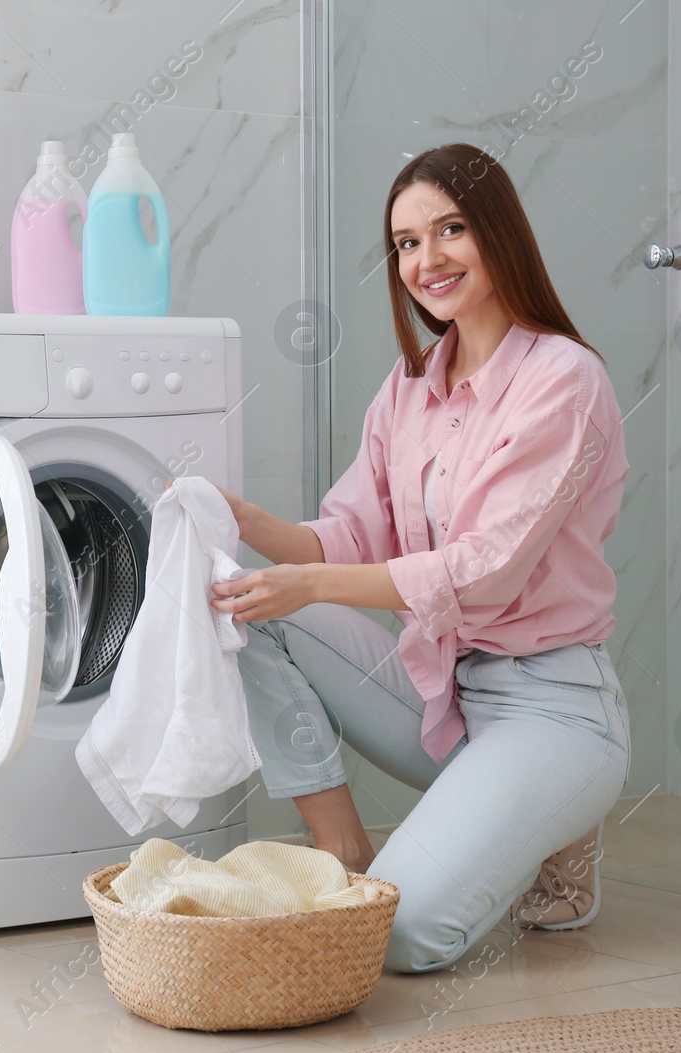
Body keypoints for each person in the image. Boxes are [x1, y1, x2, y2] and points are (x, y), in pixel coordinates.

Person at [210, 142, 631, 974]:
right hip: (442, 686)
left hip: (552, 706)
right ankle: (345, 853)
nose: (426, 260)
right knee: (241, 605)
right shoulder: (411, 384)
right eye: (406, 242)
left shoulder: (565, 381)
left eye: (451, 230)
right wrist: (239, 518)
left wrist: (311, 585)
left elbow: (488, 568)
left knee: (401, 939)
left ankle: (555, 811)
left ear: (499, 233)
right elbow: (347, 533)